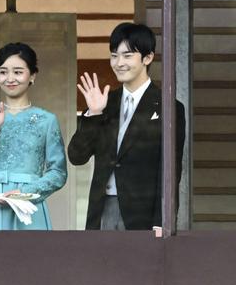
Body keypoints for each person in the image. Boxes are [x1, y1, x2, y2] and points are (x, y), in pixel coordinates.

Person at [68, 22, 186, 230]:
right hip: (102, 209)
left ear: (147, 58)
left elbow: (170, 171)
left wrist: (162, 221)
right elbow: (77, 157)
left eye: (127, 55)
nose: (119, 63)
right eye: (114, 55)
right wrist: (93, 114)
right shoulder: (105, 103)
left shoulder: (168, 107)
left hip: (142, 214)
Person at [0, 43, 67, 230]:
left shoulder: (47, 120)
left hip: (28, 205)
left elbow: (58, 173)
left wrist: (23, 193)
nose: (10, 78)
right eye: (3, 72)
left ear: (32, 76)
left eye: (18, 72)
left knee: (29, 250)